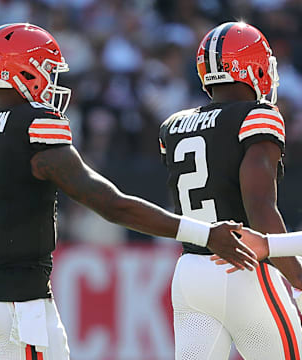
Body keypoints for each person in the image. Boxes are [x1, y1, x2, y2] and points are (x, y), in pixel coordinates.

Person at [0, 23, 259, 360]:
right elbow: (112, 206)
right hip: (18, 301)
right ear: (24, 70)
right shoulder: (34, 126)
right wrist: (204, 233)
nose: (52, 82)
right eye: (47, 70)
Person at [159, 21, 302, 359]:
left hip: (190, 274)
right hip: (243, 267)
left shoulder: (173, 126)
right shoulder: (257, 115)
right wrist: (297, 276)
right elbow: (260, 208)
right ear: (250, 66)